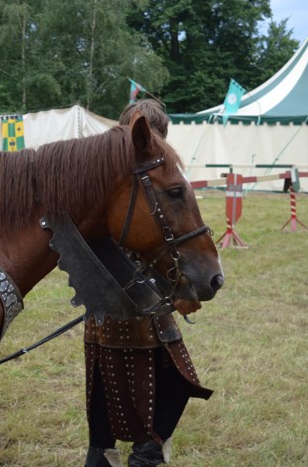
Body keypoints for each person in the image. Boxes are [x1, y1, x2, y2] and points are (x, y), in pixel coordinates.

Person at [84, 99, 212, 467]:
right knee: (113, 386)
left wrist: (179, 285)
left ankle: (142, 451)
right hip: (117, 297)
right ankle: (123, 454)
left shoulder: (154, 171)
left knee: (168, 382)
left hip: (147, 299)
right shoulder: (111, 175)